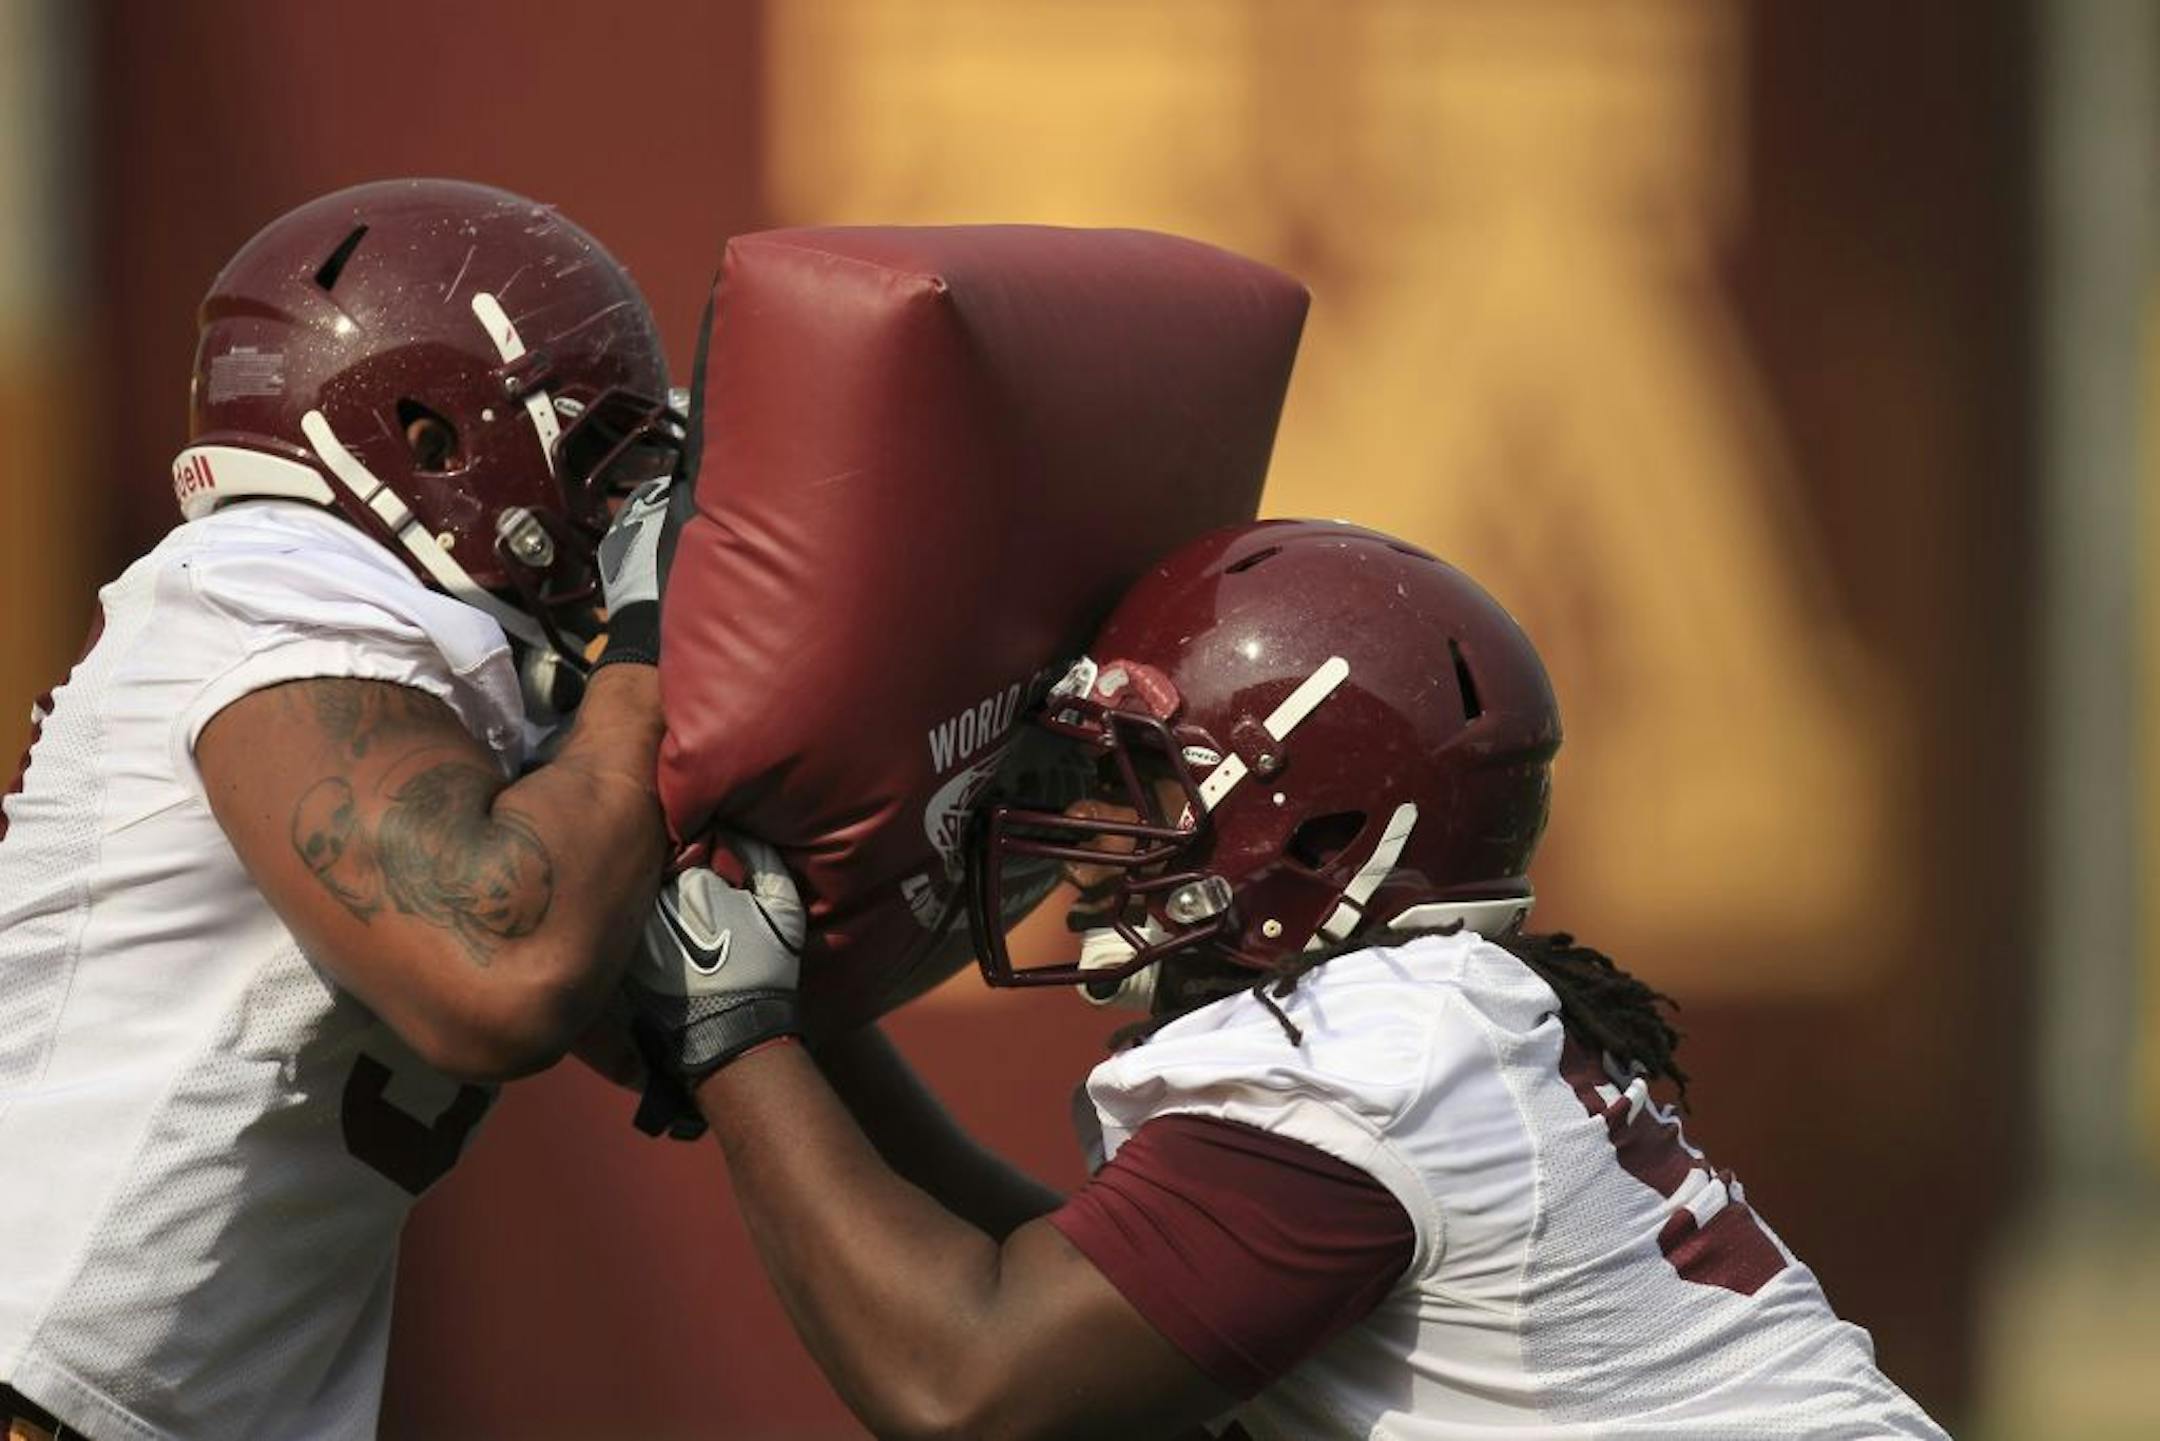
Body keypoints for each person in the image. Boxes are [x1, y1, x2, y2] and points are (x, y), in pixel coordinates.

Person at [627, 518, 1950, 1439]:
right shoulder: (1431, 1026)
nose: (1095, 831)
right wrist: (804, 1035)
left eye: (1140, 785)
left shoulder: (1376, 1057)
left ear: (1321, 834)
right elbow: (1088, 1295)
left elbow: (968, 1382)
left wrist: (741, 1039)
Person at [0, 179, 682, 1441]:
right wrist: (654, 653)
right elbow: (500, 958)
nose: (621, 515)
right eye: (599, 455)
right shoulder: (278, 576)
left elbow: (686, 1025)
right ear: (430, 436)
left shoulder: (465, 671)